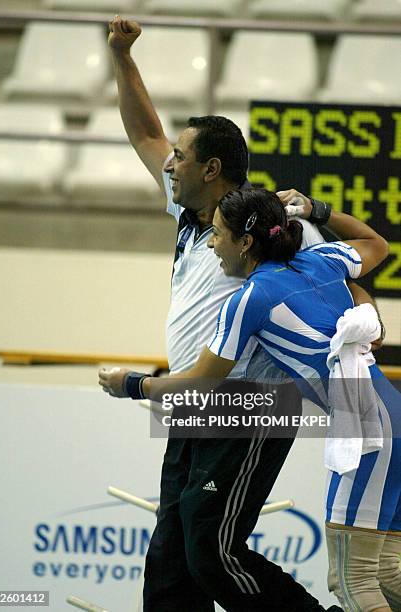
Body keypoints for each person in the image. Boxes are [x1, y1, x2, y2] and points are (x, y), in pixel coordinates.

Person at [102, 16, 386, 611]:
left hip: (249, 403)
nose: (169, 164)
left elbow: (350, 271)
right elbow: (144, 134)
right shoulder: (187, 216)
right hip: (194, 404)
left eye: (181, 157)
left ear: (212, 169)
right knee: (170, 567)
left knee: (213, 553)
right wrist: (122, 57)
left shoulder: (279, 225)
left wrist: (362, 325)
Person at [106, 187, 400, 612]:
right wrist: (319, 210)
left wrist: (131, 384)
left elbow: (198, 386)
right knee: (388, 572)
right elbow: (378, 244)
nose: (210, 243)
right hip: (393, 414)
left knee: (353, 580)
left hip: (365, 430)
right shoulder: (322, 260)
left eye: (218, 234)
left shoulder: (249, 299)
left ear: (245, 242)